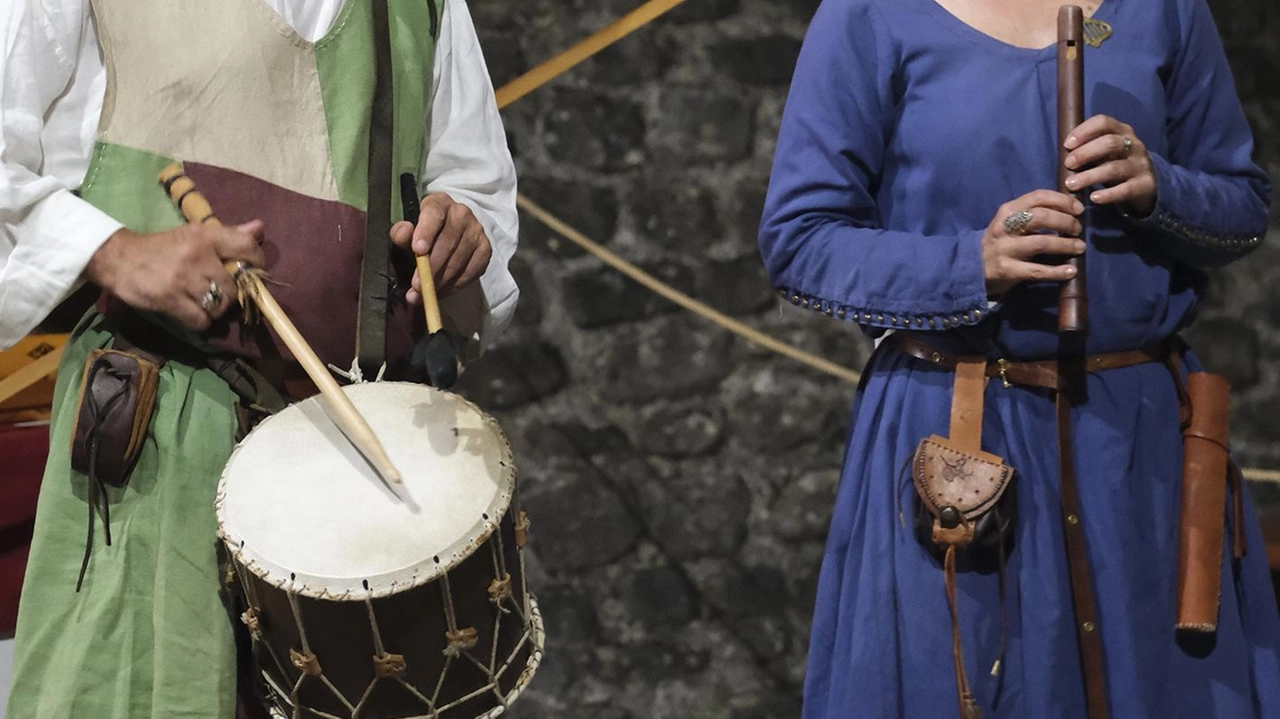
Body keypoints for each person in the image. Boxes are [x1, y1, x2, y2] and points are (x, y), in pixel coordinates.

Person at [759, 0, 1280, 717]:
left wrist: (1161, 187)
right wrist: (972, 263)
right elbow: (800, 238)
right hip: (959, 438)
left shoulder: (1165, 9)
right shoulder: (872, 14)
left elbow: (1243, 207)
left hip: (1136, 445)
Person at [0, 0, 518, 716]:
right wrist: (116, 253)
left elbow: (473, 179)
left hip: (356, 477)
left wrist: (462, 221)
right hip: (161, 440)